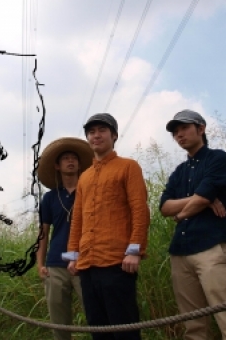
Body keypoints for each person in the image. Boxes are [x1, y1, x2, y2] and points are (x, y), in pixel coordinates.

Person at [159, 109, 226, 340]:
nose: (179, 135)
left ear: (201, 129)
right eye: (175, 132)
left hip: (212, 248)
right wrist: (200, 200)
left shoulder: (218, 158)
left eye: (184, 128)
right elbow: (164, 207)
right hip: (180, 252)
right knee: (193, 327)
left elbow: (201, 198)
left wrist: (182, 214)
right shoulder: (179, 172)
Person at [63, 113, 150, 340]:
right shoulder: (84, 177)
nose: (96, 135)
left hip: (118, 261)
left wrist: (134, 250)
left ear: (114, 135)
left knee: (123, 327)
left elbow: (140, 210)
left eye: (102, 130)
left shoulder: (128, 166)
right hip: (87, 264)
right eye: (91, 132)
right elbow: (77, 219)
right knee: (97, 327)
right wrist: (73, 255)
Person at [37, 137, 94, 340]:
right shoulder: (50, 197)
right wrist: (40, 263)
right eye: (66, 159)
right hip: (55, 263)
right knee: (59, 321)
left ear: (80, 165)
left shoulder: (90, 191)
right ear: (57, 166)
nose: (71, 161)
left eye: (74, 158)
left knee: (95, 316)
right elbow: (43, 232)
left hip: (87, 261)